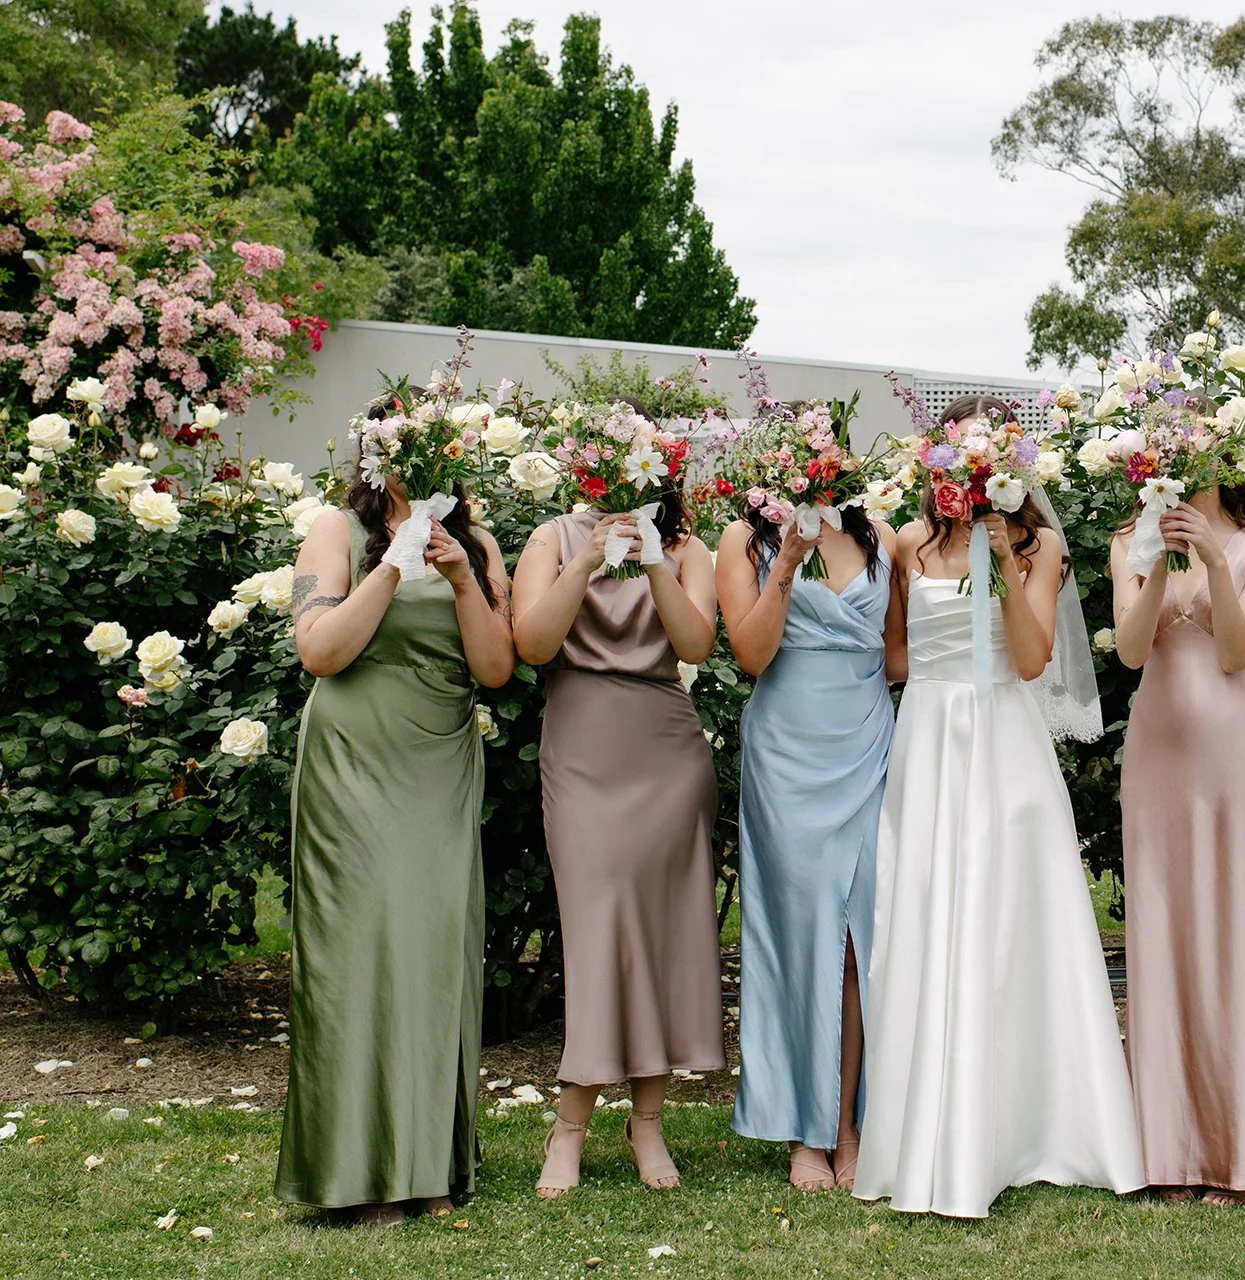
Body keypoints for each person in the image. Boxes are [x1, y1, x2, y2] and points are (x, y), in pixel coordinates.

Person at [854, 396, 1143, 1217]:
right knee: (930, 909)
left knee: (1014, 916)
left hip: (1007, 737)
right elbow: (898, 653)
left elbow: (1028, 658)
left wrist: (1002, 564)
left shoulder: (1039, 544)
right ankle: (929, 1125)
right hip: (931, 738)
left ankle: (1033, 1126)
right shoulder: (907, 542)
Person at [275, 405, 515, 1225]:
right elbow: (320, 651)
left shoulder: (479, 547)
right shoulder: (336, 530)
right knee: (358, 955)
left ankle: (428, 1164)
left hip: (437, 766)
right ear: (378, 455)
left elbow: (494, 671)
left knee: (431, 953)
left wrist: (455, 577)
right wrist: (392, 567)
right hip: (352, 764)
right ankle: (358, 1170)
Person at [512, 437, 722, 1198]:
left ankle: (648, 1123)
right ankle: (568, 1128)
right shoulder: (551, 537)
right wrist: (587, 560)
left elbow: (696, 641)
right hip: (583, 749)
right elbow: (532, 643)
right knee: (600, 934)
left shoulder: (689, 548)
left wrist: (657, 556)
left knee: (660, 940)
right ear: (586, 474)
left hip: (666, 755)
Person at [1111, 482, 1245, 1204]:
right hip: (1156, 756)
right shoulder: (1127, 542)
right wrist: (1162, 565)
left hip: (1231, 751)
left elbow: (1235, 651)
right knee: (1164, 935)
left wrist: (1212, 562)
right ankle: (1169, 1146)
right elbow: (1132, 654)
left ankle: (1242, 1147)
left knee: (1235, 930)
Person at [718, 490, 896, 1192]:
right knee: (798, 937)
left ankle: (848, 1126)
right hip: (788, 751)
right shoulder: (743, 540)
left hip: (866, 745)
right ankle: (802, 1131)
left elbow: (899, 651)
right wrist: (787, 561)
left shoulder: (878, 533)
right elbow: (752, 655)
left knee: (857, 941)